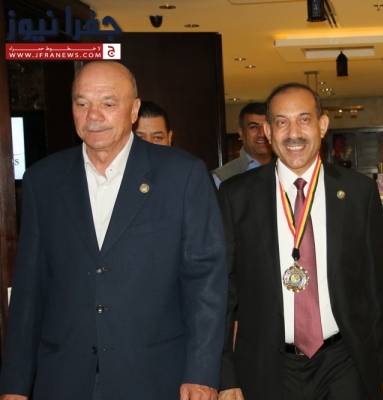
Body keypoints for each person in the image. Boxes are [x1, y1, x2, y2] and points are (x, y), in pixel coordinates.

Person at [0, 61, 227, 400]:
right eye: (82, 103)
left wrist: (202, 373)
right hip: (64, 378)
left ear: (134, 110)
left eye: (108, 103)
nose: (93, 115)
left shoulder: (182, 176)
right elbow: (29, 290)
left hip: (155, 377)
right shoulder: (43, 180)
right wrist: (14, 385)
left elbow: (206, 283)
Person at [217, 83, 383, 400]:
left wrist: (375, 366)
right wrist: (227, 377)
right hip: (266, 368)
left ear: (322, 125)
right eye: (281, 122)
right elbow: (222, 293)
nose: (293, 133)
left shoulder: (358, 192)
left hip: (344, 363)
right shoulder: (236, 196)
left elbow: (377, 285)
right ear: (268, 131)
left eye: (304, 119)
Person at [212, 102, 272, 187]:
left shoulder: (287, 168)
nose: (262, 134)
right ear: (241, 133)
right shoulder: (222, 177)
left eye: (267, 127)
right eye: (253, 127)